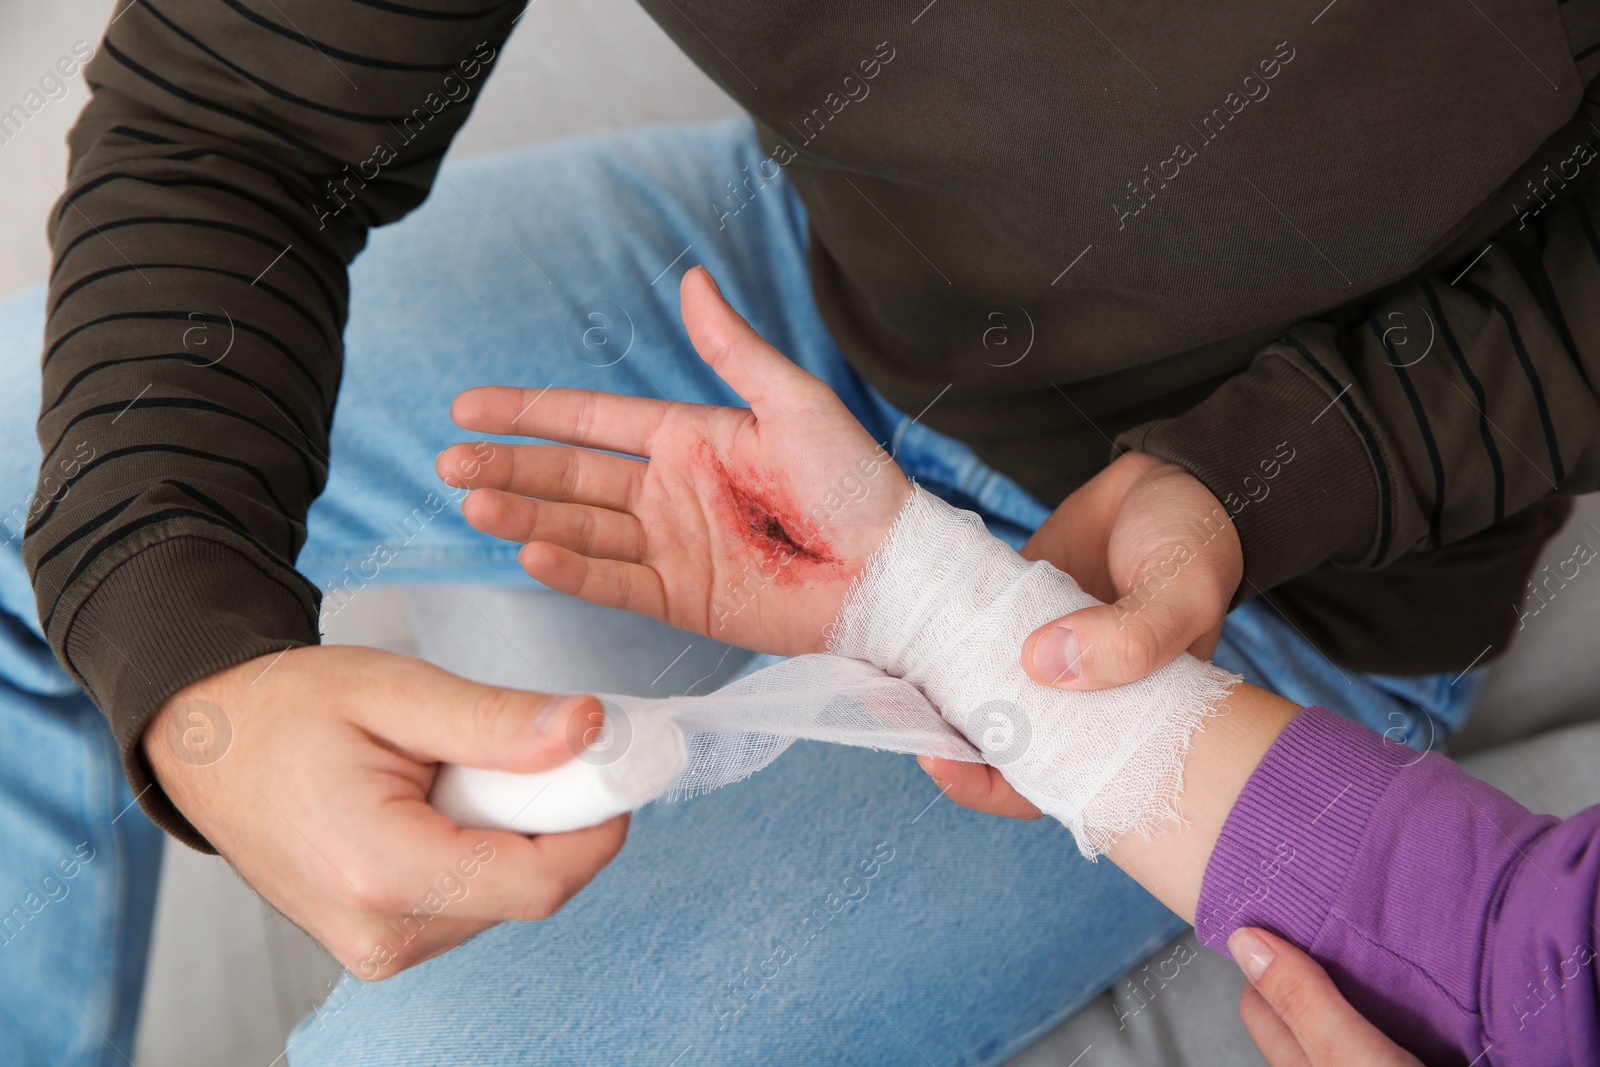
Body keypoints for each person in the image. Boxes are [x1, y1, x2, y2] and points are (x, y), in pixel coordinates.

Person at [6, 1, 1597, 1063]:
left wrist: (1281, 466)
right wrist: (191, 663)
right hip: (802, 285)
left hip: (1284, 567)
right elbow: (228, 115)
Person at [424, 264, 1600, 1064]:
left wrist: (918, 592)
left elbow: (1532, 965)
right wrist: (230, 665)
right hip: (880, 283)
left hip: (1315, 592)